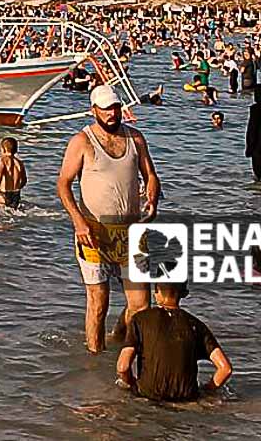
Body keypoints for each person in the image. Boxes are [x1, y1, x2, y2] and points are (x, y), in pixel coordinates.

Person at [56, 85, 161, 353]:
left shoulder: (135, 138)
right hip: (93, 231)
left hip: (131, 232)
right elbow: (63, 185)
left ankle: (123, 345)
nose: (112, 114)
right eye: (106, 109)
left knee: (141, 305)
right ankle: (94, 361)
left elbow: (149, 174)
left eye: (115, 108)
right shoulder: (82, 141)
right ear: (94, 111)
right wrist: (78, 222)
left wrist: (153, 195)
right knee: (98, 301)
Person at [116, 281, 232, 402]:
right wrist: (206, 391)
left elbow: (122, 367)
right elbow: (225, 369)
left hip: (148, 397)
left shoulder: (139, 320)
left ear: (157, 291)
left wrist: (131, 384)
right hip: (186, 399)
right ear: (184, 293)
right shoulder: (197, 325)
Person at [0, 138, 27, 209]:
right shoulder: (19, 163)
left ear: (3, 149)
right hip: (16, 193)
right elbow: (24, 180)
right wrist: (18, 187)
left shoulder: (3, 160)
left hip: (4, 192)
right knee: (13, 210)